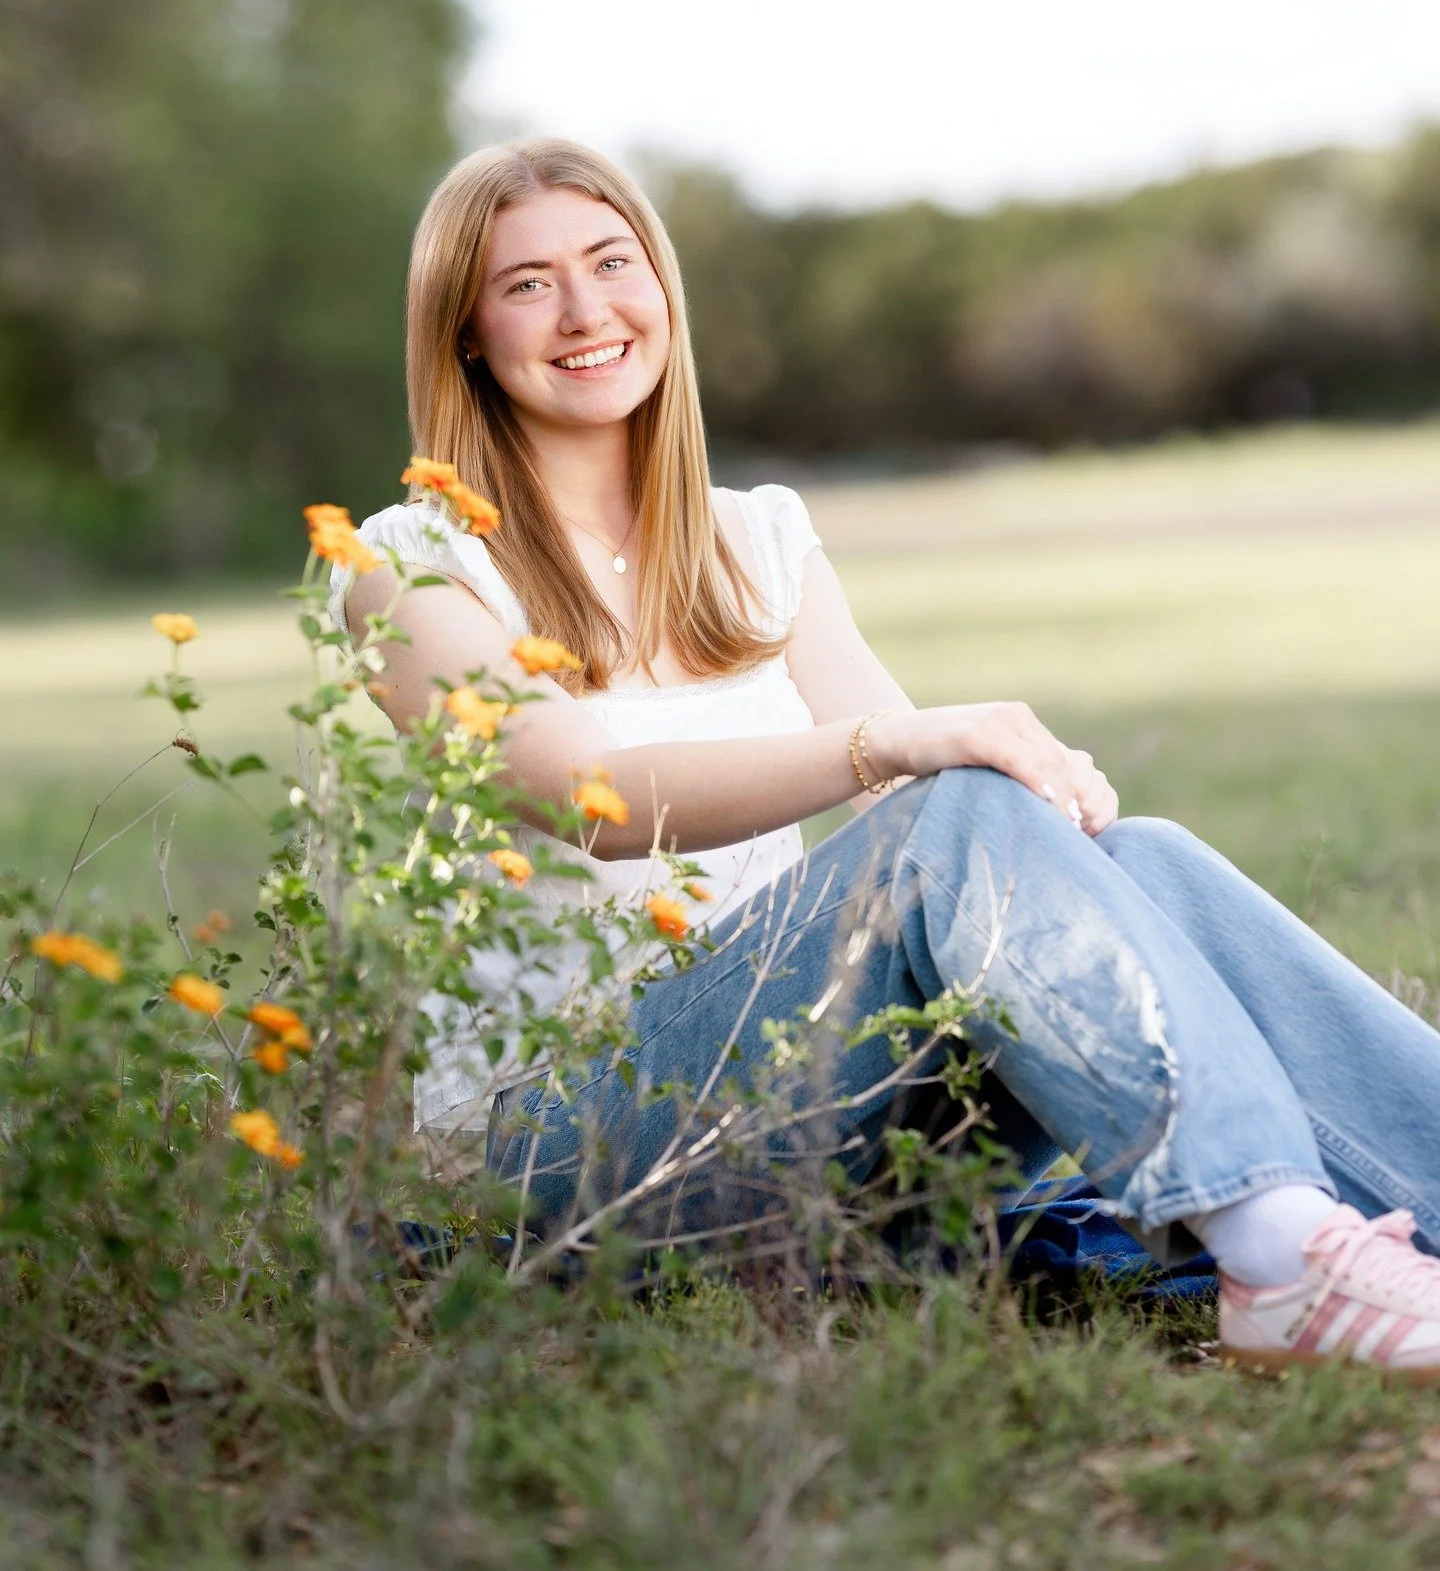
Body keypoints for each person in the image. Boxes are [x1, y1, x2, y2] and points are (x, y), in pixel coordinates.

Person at [338, 137, 1440, 1377]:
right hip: (567, 1139)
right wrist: (899, 741)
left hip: (818, 1102)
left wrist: (1046, 809)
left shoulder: (757, 540)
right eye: (530, 282)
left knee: (1140, 856)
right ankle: (1282, 1255)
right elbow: (589, 799)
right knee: (949, 803)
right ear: (468, 332)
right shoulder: (407, 565)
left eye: (611, 261)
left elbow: (946, 810)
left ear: (662, 287)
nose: (587, 309)